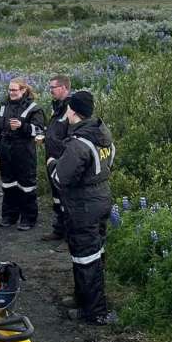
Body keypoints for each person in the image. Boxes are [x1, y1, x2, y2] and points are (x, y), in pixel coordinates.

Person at [49, 90, 114, 325]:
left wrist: (52, 164)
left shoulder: (79, 144)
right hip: (101, 198)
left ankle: (94, 311)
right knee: (94, 253)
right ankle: (83, 298)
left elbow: (60, 178)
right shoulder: (102, 133)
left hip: (84, 206)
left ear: (73, 111)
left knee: (85, 257)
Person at [0, 78, 47, 231]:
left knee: (27, 186)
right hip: (6, 150)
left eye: (15, 90)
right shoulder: (3, 106)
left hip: (24, 151)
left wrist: (22, 126)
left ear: (23, 90)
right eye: (10, 90)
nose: (11, 93)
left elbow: (39, 131)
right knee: (8, 184)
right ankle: (9, 216)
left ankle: (28, 218)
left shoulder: (34, 108)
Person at [42, 75, 72, 242]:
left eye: (53, 87)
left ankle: (69, 236)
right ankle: (59, 230)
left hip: (64, 161)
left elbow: (73, 136)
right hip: (52, 160)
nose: (50, 91)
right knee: (57, 198)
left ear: (64, 88)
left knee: (66, 199)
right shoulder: (57, 107)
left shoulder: (71, 108)